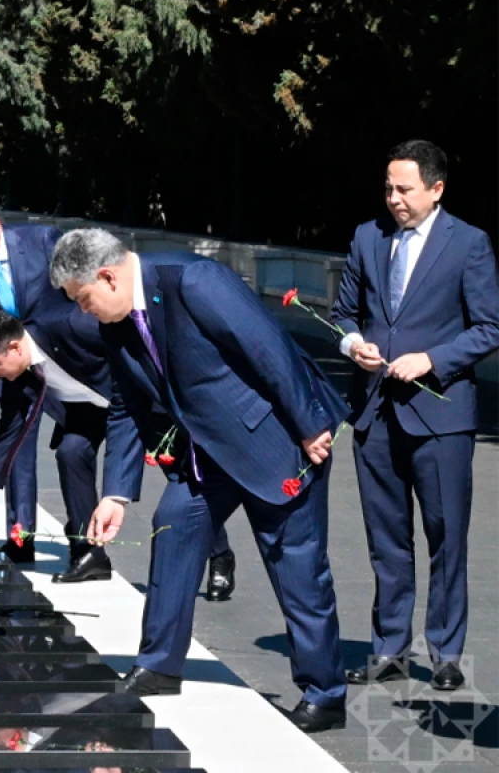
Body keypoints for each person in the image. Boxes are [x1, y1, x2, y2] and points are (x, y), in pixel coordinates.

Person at [50, 228, 350, 733]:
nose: (84, 312)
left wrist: (309, 424)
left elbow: (268, 347)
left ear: (107, 276)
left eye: (84, 300)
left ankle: (325, 692)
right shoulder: (115, 323)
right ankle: (159, 664)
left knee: (295, 564)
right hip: (206, 452)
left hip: (273, 438)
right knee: (174, 525)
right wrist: (116, 493)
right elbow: (126, 404)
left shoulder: (194, 280)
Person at [330, 140, 499, 692]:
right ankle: (390, 649)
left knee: (446, 536)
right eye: (387, 187)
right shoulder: (365, 237)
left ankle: (446, 653)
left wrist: (433, 359)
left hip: (441, 417)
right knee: (387, 539)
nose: (393, 198)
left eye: (404, 188)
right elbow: (343, 314)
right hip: (375, 413)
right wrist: (353, 345)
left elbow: (488, 328)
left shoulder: (470, 244)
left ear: (436, 188)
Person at [0, 198, 115, 578]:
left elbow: (80, 281)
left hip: (78, 357)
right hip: (14, 367)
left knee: (169, 459)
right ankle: (23, 536)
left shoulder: (43, 241)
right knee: (18, 444)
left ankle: (214, 550)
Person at [0, 310, 112, 584]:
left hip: (136, 399)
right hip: (87, 410)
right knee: (71, 452)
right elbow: (7, 435)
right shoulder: (18, 377)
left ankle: (213, 554)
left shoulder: (67, 327)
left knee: (189, 475)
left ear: (14, 347)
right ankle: (90, 551)